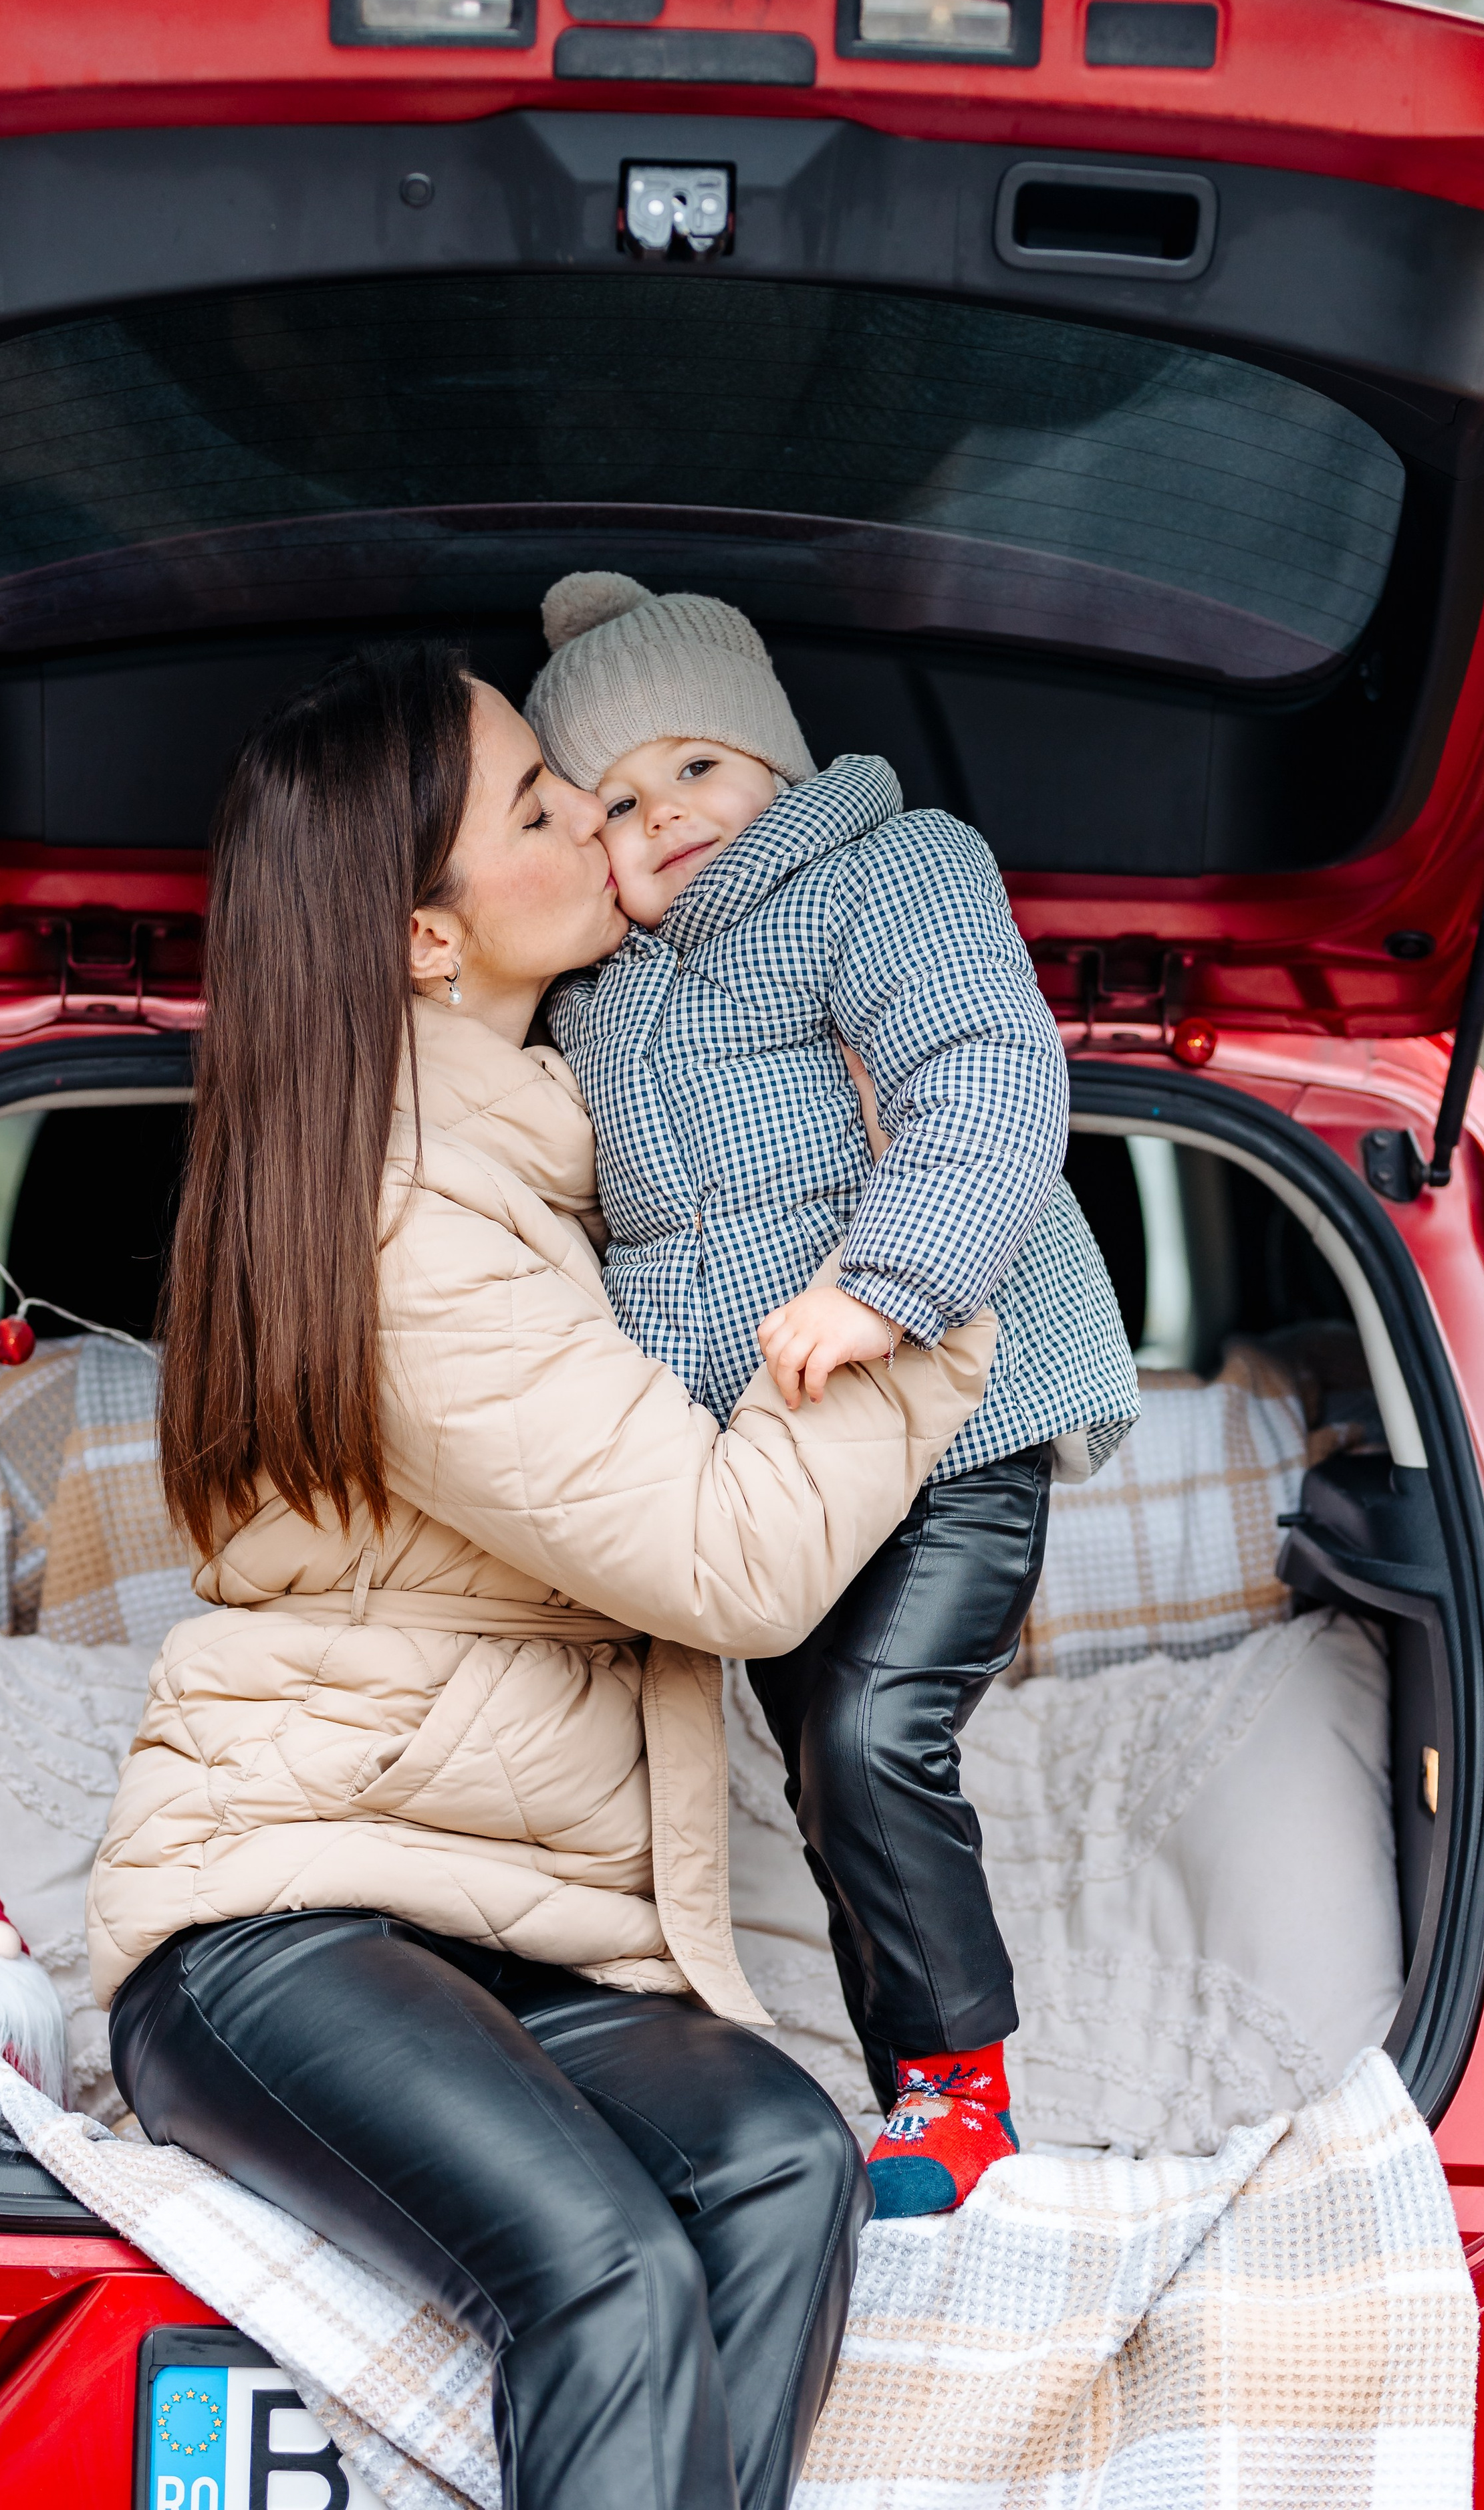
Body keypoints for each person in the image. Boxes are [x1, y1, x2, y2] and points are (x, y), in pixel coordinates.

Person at [88, 642, 998, 2510]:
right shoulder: (412, 1219)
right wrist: (933, 1283)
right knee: (609, 2274)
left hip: (511, 1933)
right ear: (426, 943)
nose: (599, 815)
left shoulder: (557, 1159)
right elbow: (728, 1562)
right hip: (286, 1925)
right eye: (533, 803)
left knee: (779, 2161)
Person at [527, 572, 1140, 2218]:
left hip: (956, 1420)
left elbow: (988, 1074)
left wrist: (885, 1285)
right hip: (771, 1477)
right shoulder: (595, 1000)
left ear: (779, 765)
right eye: (617, 803)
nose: (665, 817)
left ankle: (966, 2095)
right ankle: (916, 2104)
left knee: (871, 1735)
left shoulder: (888, 874)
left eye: (697, 769)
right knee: (818, 1767)